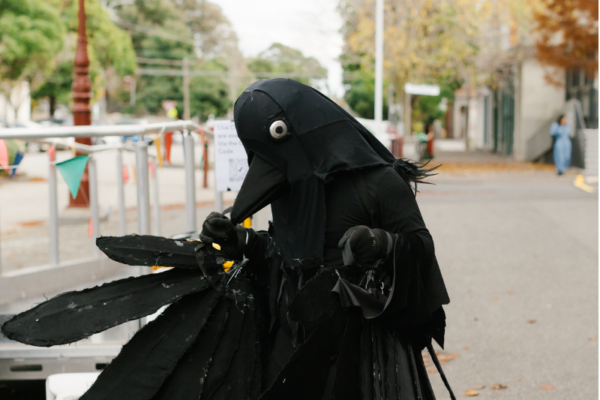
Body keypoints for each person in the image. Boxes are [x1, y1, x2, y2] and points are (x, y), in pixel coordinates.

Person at [2, 79, 454, 400]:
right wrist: (244, 244)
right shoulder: (293, 186)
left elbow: (422, 252)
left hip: (362, 350)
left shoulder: (379, 182)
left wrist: (383, 245)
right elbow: (288, 254)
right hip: (288, 337)